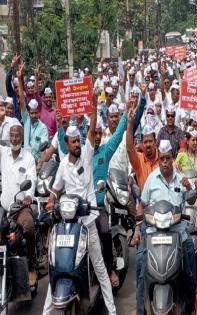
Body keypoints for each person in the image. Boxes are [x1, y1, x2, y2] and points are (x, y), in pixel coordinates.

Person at [43, 93, 117, 315]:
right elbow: (56, 189)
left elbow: (93, 127)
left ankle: (112, 311)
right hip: (69, 225)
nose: (77, 144)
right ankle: (47, 311)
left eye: (78, 141)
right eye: (73, 141)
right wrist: (50, 200)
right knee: (58, 267)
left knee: (100, 268)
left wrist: (93, 106)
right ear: (66, 143)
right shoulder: (63, 165)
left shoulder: (87, 153)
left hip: (89, 222)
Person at [134, 140, 196, 315]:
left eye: (168, 158)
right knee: (140, 268)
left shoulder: (181, 178)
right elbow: (142, 204)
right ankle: (141, 311)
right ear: (158, 158)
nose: (165, 162)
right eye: (162, 158)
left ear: (172, 158)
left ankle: (190, 306)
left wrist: (189, 187)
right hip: (153, 234)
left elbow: (191, 200)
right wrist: (138, 229)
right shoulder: (152, 179)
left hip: (178, 233)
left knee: (188, 270)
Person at [92, 104, 128, 287]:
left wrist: (128, 112)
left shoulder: (105, 151)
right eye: (94, 133)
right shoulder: (81, 153)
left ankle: (109, 269)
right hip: (79, 208)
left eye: (100, 133)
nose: (97, 137)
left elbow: (118, 134)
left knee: (105, 231)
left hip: (98, 207)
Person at [0, 121, 37, 286]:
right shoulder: (3, 154)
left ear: (22, 138)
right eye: (12, 136)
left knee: (28, 227)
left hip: (21, 207)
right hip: (4, 206)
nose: (14, 139)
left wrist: (29, 195)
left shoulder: (28, 157)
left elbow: (32, 178)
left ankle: (31, 267)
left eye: (17, 136)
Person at [16, 63, 48, 161]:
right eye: (32, 113)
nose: (33, 115)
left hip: (36, 162)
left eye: (35, 113)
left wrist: (40, 164)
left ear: (39, 113)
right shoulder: (26, 120)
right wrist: (20, 78)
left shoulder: (43, 127)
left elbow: (43, 148)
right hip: (25, 160)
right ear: (29, 113)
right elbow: (22, 100)